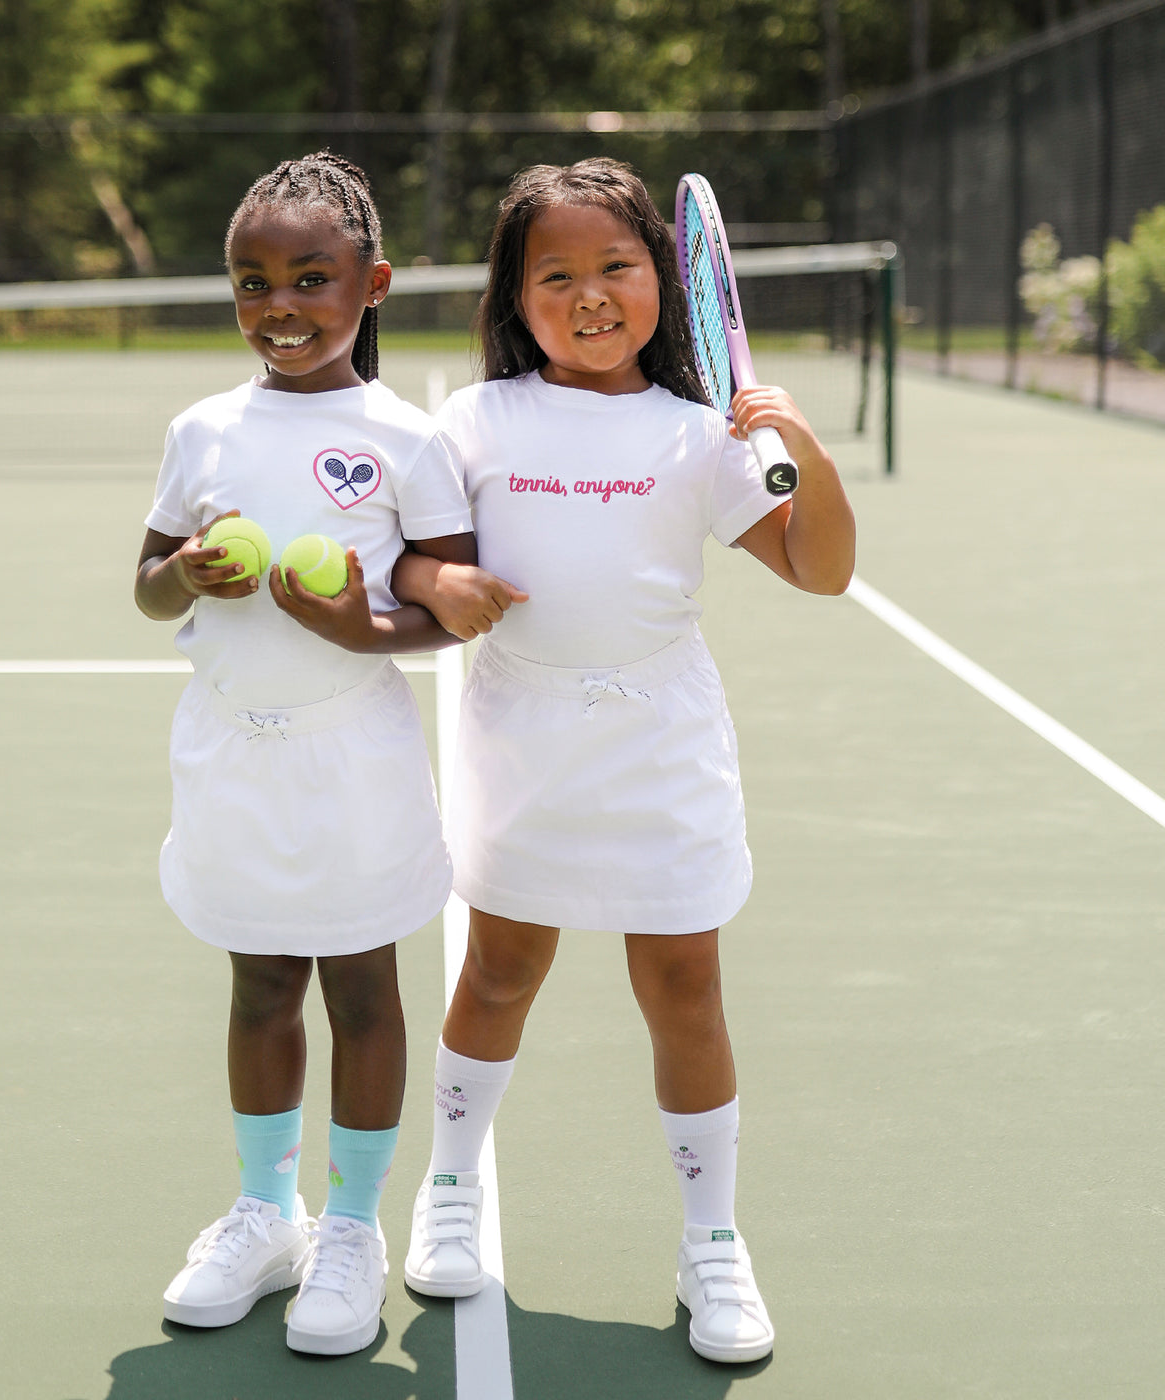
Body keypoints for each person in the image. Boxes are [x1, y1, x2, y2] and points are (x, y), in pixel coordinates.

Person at [391, 157, 855, 1366]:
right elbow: (408, 557)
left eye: (615, 266)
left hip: (661, 743)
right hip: (520, 736)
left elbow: (821, 565)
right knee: (497, 967)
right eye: (556, 273)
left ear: (664, 278)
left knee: (684, 983)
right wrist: (437, 579)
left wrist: (801, 443)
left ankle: (711, 1236)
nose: (590, 294)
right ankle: (448, 1182)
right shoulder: (473, 423)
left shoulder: (700, 434)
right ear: (513, 293)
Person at [134, 151, 474, 1358]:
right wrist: (183, 571)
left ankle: (351, 1228)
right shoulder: (199, 429)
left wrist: (358, 623)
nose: (279, 305)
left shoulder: (406, 438)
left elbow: (446, 607)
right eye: (251, 282)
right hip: (230, 756)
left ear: (369, 284)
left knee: (363, 989)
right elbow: (142, 584)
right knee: (260, 985)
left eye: (310, 278)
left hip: (353, 763)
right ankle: (263, 1212)